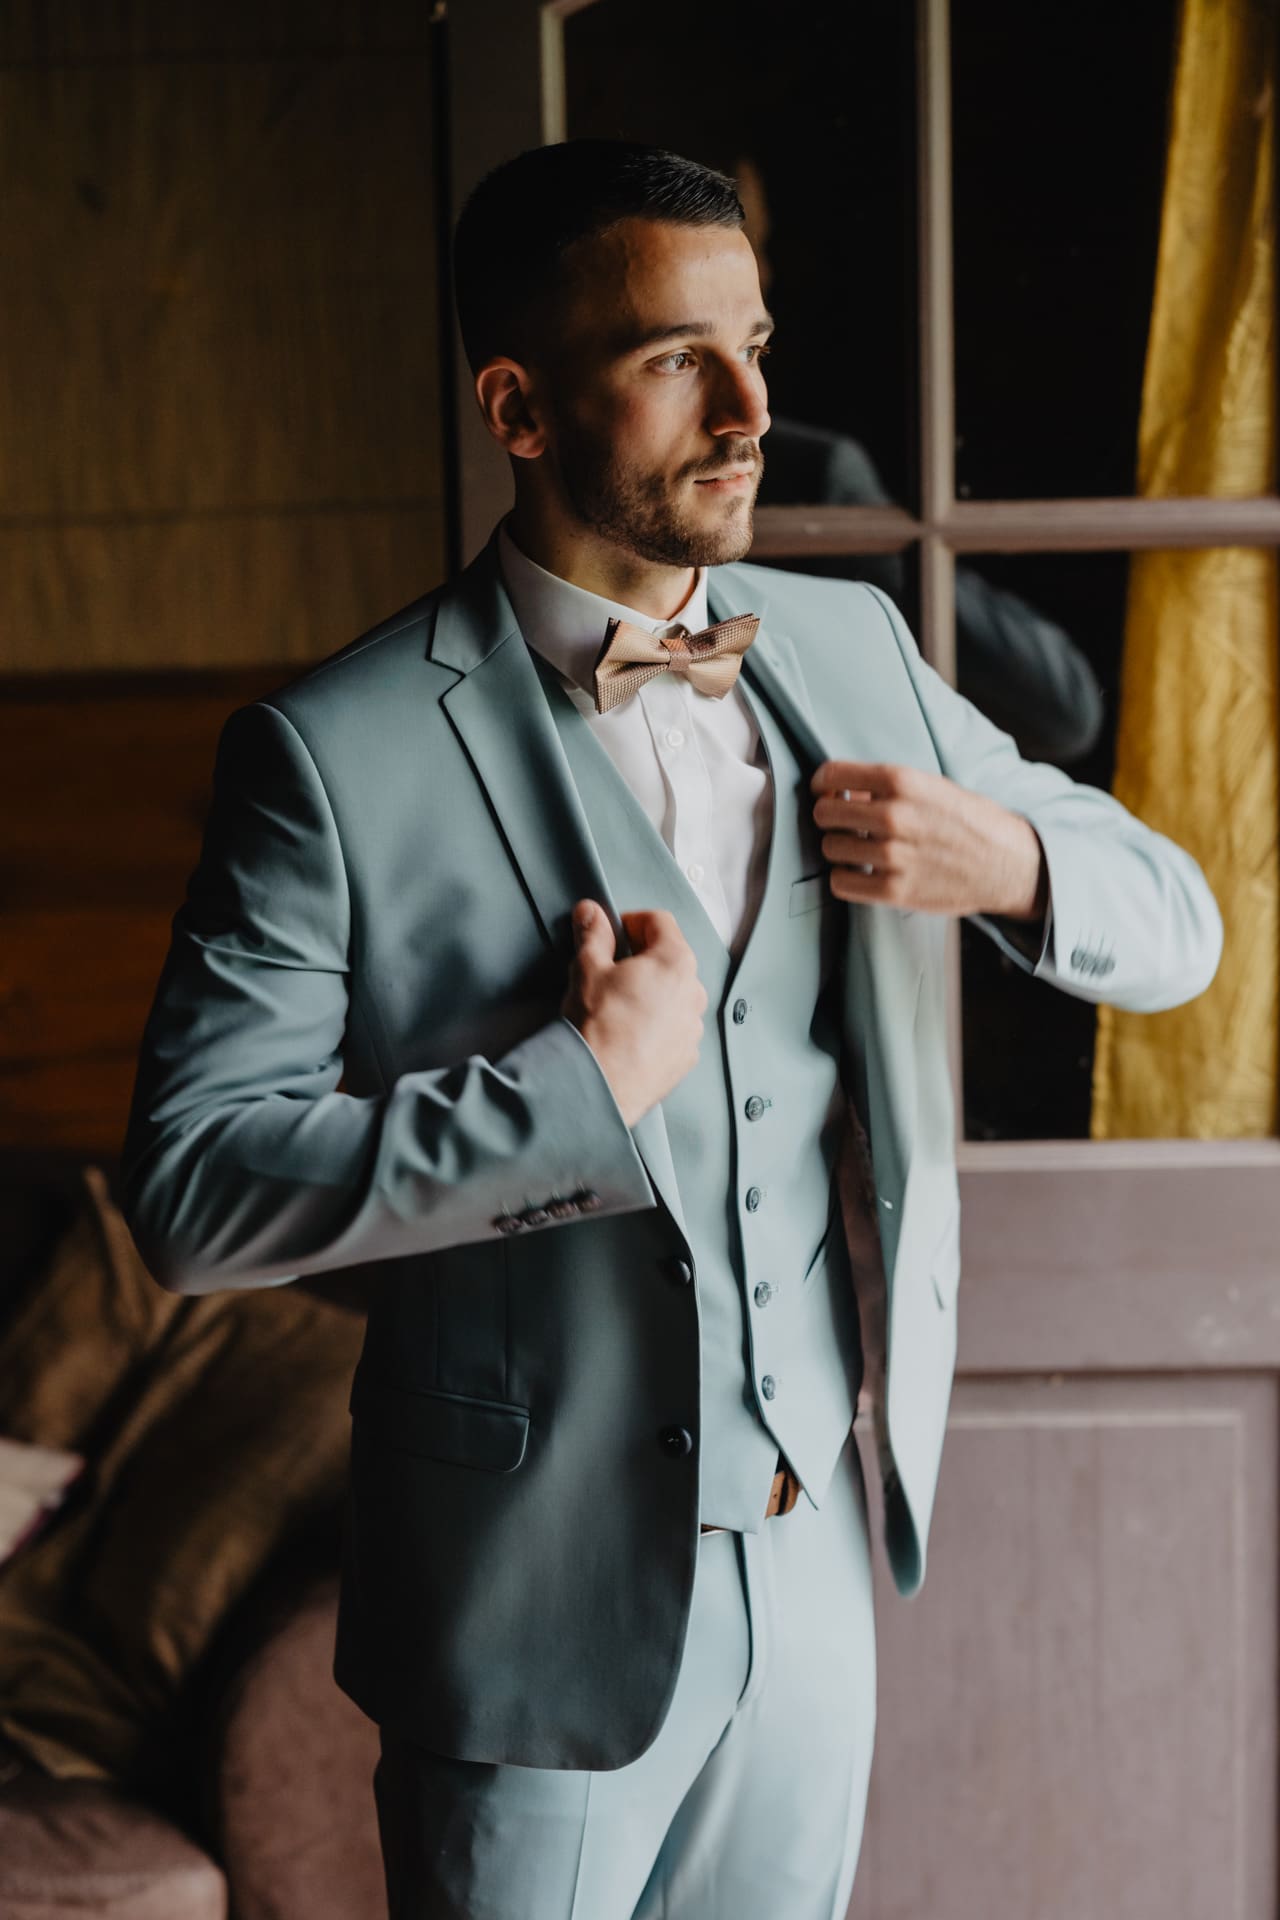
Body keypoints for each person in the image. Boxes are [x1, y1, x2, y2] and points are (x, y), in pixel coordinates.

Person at [119, 140, 1223, 1919]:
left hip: (815, 1590)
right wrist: (576, 1092)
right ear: (521, 405)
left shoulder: (854, 647)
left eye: (758, 344)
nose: (749, 407)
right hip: (528, 1614)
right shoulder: (331, 756)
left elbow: (1184, 927)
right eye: (672, 359)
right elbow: (189, 1189)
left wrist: (1010, 855)